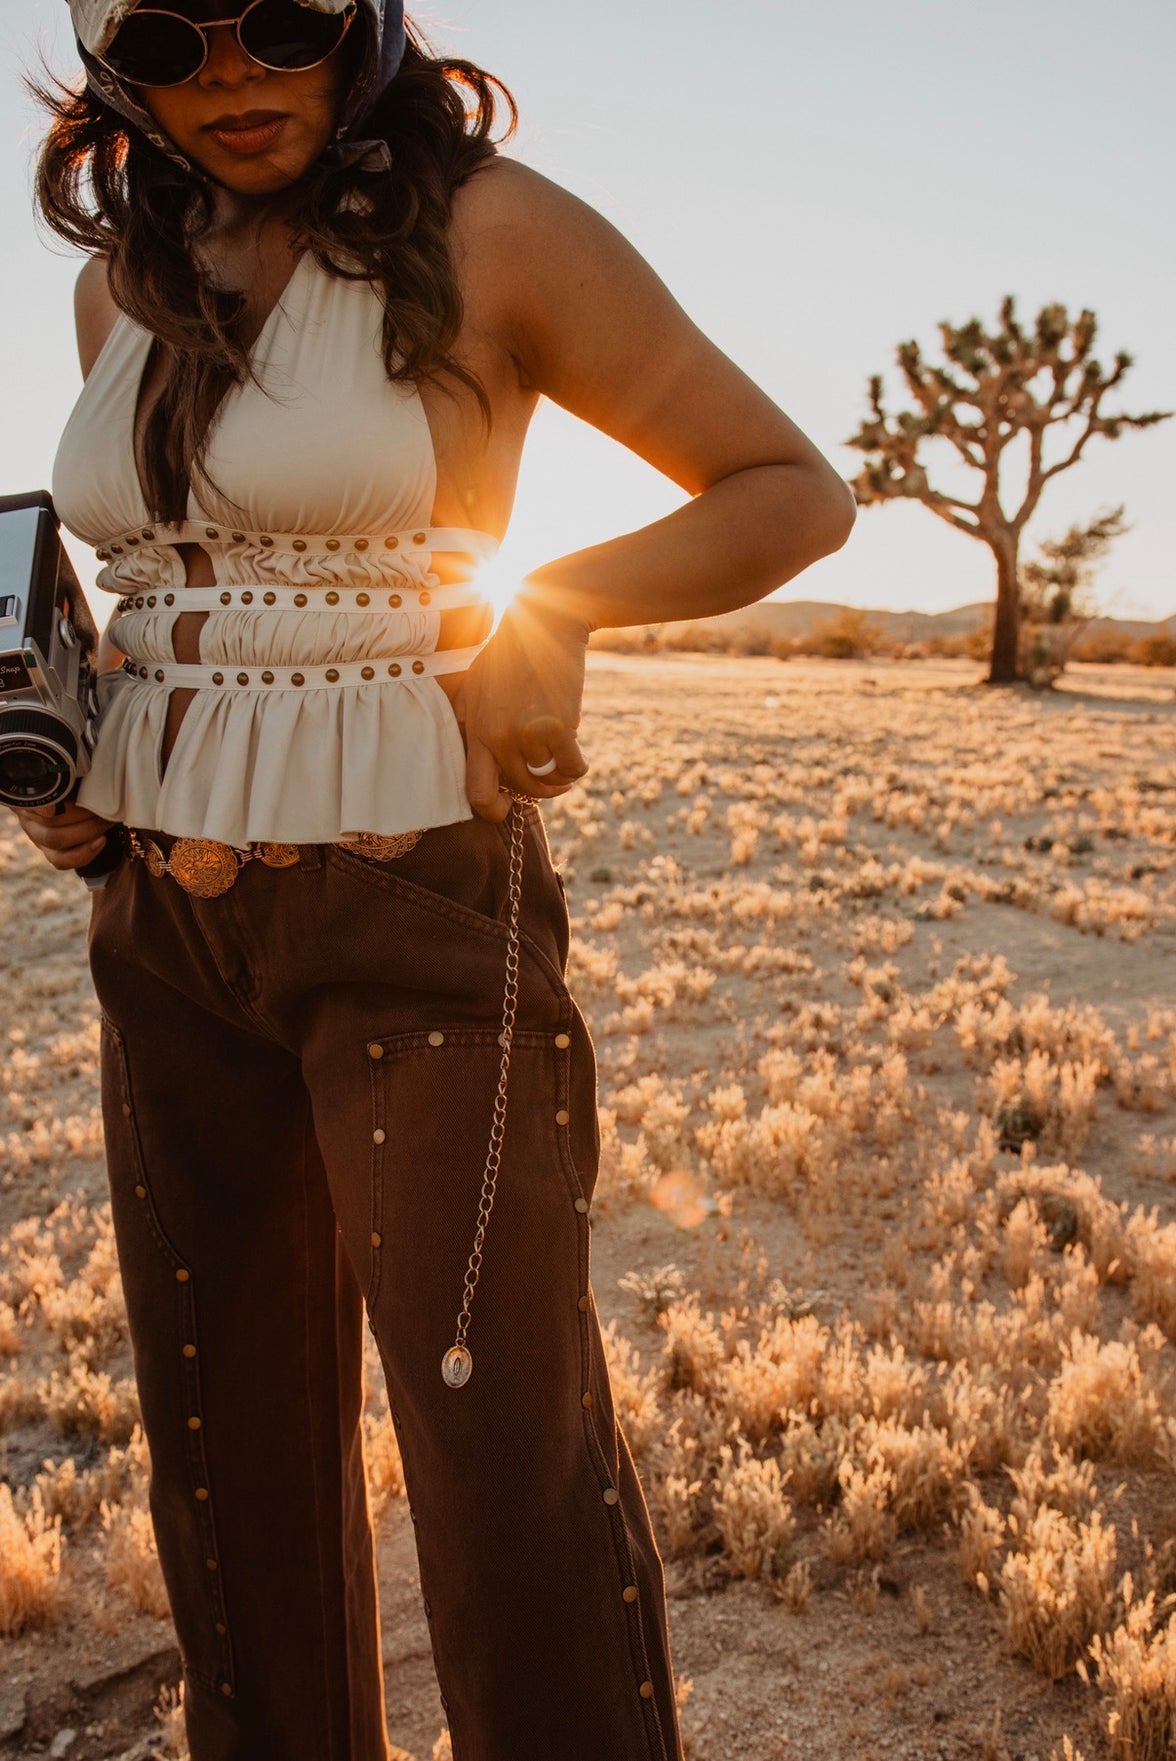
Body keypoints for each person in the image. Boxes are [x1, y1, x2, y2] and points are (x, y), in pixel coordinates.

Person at [15, 3, 856, 1757]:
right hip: (161, 925)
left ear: (368, 21)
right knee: (223, 1448)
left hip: (417, 912)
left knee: (502, 1471)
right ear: (113, 68)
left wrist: (560, 611)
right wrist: (62, 753)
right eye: (170, 35)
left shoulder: (497, 231)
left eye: (285, 20)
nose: (232, 73)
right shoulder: (124, 287)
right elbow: (170, 587)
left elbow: (792, 491)